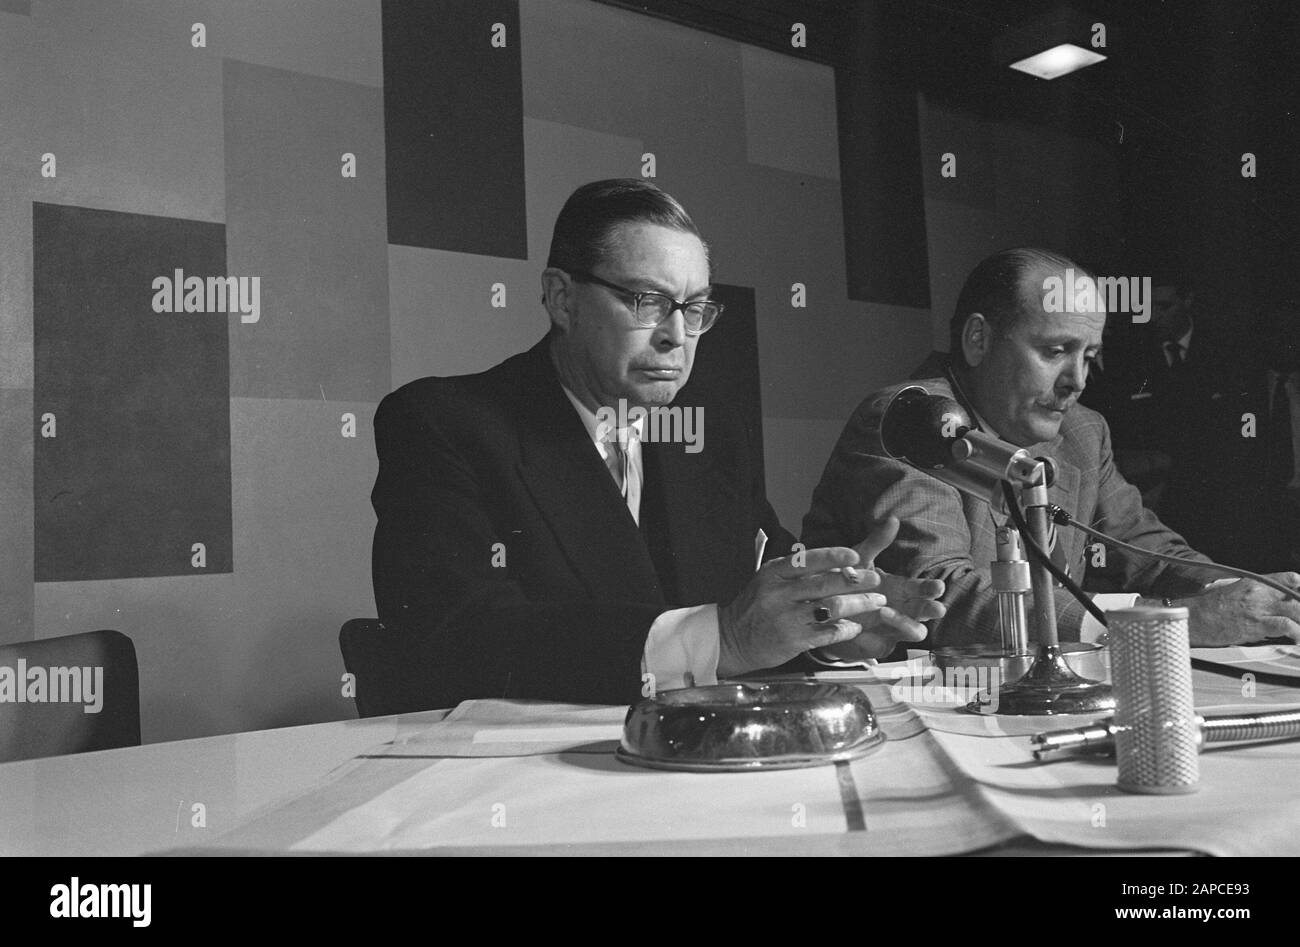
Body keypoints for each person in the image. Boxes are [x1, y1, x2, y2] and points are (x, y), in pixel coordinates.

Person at [369, 179, 945, 711]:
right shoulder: (442, 422)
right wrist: (722, 638)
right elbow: (456, 636)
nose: (676, 336)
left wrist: (833, 622)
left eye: (693, 309)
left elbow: (759, 592)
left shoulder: (710, 436)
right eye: (646, 301)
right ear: (562, 299)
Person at [802, 247, 1300, 652]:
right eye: (1055, 351)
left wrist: (1248, 596)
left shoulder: (1084, 432)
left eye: (1089, 356)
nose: (1077, 382)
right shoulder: (908, 420)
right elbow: (941, 597)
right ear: (978, 340)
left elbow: (1147, 550)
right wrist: (1174, 621)